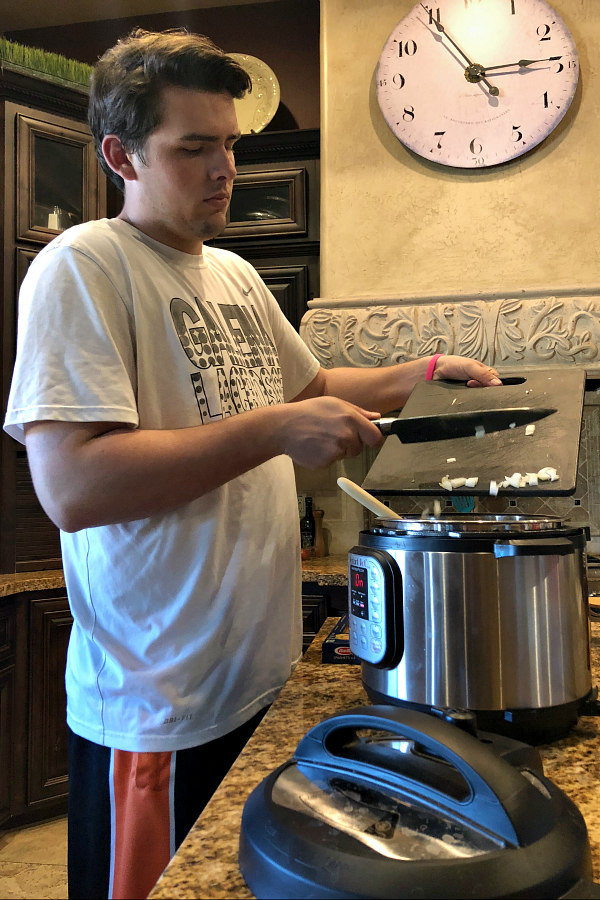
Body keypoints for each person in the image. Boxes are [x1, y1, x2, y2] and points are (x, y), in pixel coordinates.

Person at [3, 27, 502, 900]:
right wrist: (275, 430)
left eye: (229, 144)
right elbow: (74, 487)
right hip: (159, 707)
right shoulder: (82, 267)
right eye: (193, 148)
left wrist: (420, 374)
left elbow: (311, 382)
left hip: (256, 677)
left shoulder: (231, 273)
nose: (223, 168)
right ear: (121, 154)